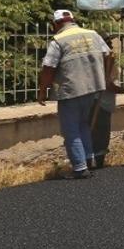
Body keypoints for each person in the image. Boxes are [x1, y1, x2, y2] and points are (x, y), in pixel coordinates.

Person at [37, 10, 111, 179]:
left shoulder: (58, 40)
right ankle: (87, 159)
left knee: (71, 130)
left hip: (71, 90)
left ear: (55, 24)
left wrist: (43, 91)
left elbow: (48, 68)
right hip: (92, 88)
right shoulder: (92, 34)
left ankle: (79, 168)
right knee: (83, 124)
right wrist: (104, 77)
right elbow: (109, 54)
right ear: (72, 20)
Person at [89, 35, 124, 169]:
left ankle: (94, 162)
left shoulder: (100, 60)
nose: (111, 46)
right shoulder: (103, 62)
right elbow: (107, 84)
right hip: (101, 103)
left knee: (97, 133)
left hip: (101, 102)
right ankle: (96, 163)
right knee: (100, 134)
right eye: (108, 43)